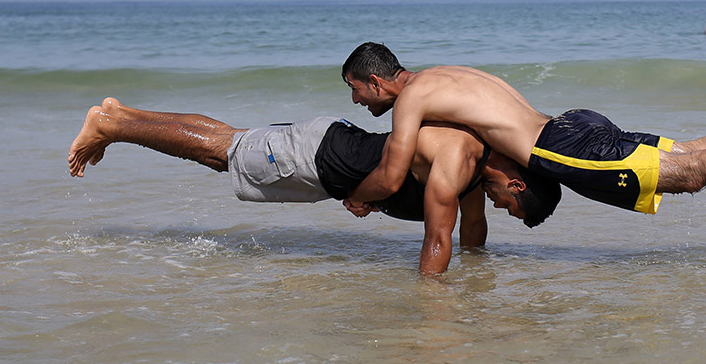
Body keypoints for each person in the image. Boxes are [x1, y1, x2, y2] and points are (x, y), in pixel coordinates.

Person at [341, 43, 706, 218]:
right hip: (573, 124)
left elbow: (391, 174)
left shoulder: (413, 98)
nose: (354, 101)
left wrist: (358, 201)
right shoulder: (448, 75)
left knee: (690, 173)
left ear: (374, 81)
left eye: (354, 90)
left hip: (559, 147)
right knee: (693, 154)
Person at [67, 97, 561, 276]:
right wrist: (431, 313)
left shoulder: (476, 168)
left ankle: (122, 116)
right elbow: (438, 239)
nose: (499, 208)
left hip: (331, 153)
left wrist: (478, 275)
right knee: (223, 150)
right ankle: (112, 125)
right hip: (322, 155)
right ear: (515, 183)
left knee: (228, 144)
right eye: (510, 207)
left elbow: (471, 230)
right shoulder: (462, 162)